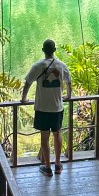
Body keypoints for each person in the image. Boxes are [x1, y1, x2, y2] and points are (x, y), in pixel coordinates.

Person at [21, 39, 72, 177]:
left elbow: (27, 83)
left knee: (44, 137)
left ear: (43, 50)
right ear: (54, 50)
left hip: (42, 108)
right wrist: (68, 96)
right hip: (57, 107)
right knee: (57, 134)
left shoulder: (37, 66)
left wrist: (24, 98)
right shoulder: (61, 65)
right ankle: (58, 164)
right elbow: (68, 82)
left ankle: (48, 167)